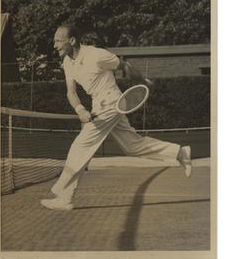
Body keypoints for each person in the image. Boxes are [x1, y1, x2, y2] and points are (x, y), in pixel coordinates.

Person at [41, 24, 192, 210]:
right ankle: (179, 153)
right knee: (133, 146)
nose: (54, 45)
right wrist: (80, 110)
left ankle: (64, 195)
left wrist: (143, 81)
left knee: (81, 146)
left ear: (72, 41)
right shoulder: (67, 62)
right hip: (99, 104)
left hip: (111, 102)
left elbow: (124, 65)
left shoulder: (96, 54)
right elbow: (70, 93)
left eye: (58, 40)